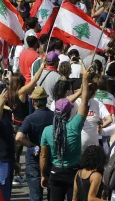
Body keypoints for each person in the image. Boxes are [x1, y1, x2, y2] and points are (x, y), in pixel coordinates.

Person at [40, 68, 91, 201]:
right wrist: (85, 79)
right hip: (74, 173)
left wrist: (43, 175)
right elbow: (85, 102)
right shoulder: (75, 126)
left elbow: (44, 157)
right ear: (69, 112)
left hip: (55, 172)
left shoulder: (47, 131)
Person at [16, 87, 54, 201]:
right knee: (53, 194)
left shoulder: (30, 118)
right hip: (51, 156)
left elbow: (19, 137)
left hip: (34, 157)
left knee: (35, 195)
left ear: (33, 102)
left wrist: (32, 145)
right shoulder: (54, 116)